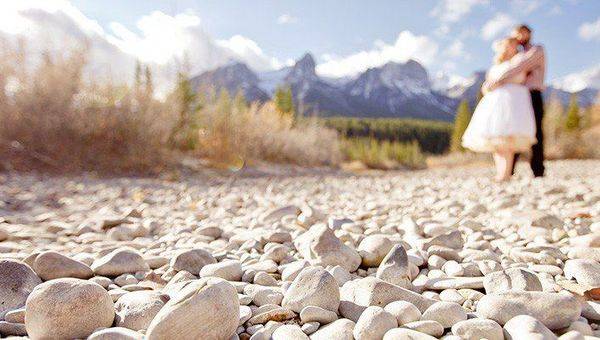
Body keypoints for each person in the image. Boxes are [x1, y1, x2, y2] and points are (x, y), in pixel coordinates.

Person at [462, 37, 536, 181]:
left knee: (508, 140)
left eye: (513, 45)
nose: (511, 48)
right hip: (495, 102)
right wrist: (489, 87)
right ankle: (500, 172)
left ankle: (506, 174)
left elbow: (520, 77)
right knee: (496, 141)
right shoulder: (495, 65)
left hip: (513, 101)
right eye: (508, 45)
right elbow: (487, 85)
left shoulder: (519, 60)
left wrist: (501, 82)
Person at [481, 24, 546, 177]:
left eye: (521, 34)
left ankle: (537, 171)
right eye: (515, 35)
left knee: (535, 132)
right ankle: (508, 171)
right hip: (517, 97)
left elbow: (520, 67)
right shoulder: (515, 55)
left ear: (529, 33)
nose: (518, 38)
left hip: (532, 93)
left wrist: (496, 81)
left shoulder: (536, 50)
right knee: (513, 129)